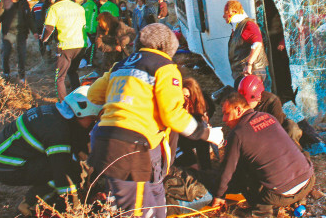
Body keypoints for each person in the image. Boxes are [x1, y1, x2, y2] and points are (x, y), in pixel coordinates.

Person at [87, 23, 224, 218]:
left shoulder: (121, 65)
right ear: (167, 47)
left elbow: (93, 94)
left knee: (155, 202)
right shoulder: (164, 67)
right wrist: (208, 133)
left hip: (105, 141)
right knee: (142, 213)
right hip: (132, 147)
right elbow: (173, 115)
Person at [0, 86, 102, 216]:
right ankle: (31, 204)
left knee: (70, 165)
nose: (93, 123)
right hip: (7, 168)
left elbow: (77, 142)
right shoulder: (58, 131)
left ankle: (35, 200)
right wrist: (75, 208)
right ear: (80, 112)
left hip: (5, 159)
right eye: (92, 119)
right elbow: (63, 174)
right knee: (67, 169)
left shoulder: (57, 114)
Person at [211, 92, 314, 217]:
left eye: (226, 113)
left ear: (238, 110)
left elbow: (227, 170)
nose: (224, 119)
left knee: (241, 170)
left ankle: (261, 212)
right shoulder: (268, 117)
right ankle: (299, 200)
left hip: (280, 195)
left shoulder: (237, 134)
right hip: (308, 182)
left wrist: (219, 195)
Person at [41, 0, 87, 101]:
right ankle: (78, 99)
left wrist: (43, 39)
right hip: (81, 45)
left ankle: (63, 103)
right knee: (73, 72)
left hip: (65, 46)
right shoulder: (79, 8)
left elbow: (49, 28)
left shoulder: (54, 8)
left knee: (60, 77)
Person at [236, 75, 302, 143]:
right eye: (242, 102)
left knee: (291, 127)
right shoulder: (237, 104)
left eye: (247, 103)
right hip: (252, 135)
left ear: (258, 98)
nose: (244, 106)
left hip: (272, 133)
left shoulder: (272, 102)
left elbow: (277, 129)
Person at [0, 0, 37, 83]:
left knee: (22, 55)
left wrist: (34, 31)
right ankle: (6, 73)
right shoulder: (5, 1)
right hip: (8, 33)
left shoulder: (24, 2)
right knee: (6, 53)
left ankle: (21, 76)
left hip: (21, 33)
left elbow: (29, 17)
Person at [223, 0, 268, 85]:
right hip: (244, 73)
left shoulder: (248, 25)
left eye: (225, 12)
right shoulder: (238, 27)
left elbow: (257, 44)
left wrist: (249, 64)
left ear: (234, 12)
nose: (223, 16)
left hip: (251, 72)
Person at [176, 77, 215, 170]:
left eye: (187, 96)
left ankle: (207, 170)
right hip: (181, 137)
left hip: (197, 132)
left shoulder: (204, 103)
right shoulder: (178, 104)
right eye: (182, 96)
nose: (184, 99)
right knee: (192, 164)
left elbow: (209, 114)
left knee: (203, 142)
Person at [82, 0, 100, 66]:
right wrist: (92, 31)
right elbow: (93, 19)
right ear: (95, 0)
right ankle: (90, 62)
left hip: (83, 29)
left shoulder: (84, 5)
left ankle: (85, 59)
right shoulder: (93, 6)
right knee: (92, 46)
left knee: (85, 45)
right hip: (90, 30)